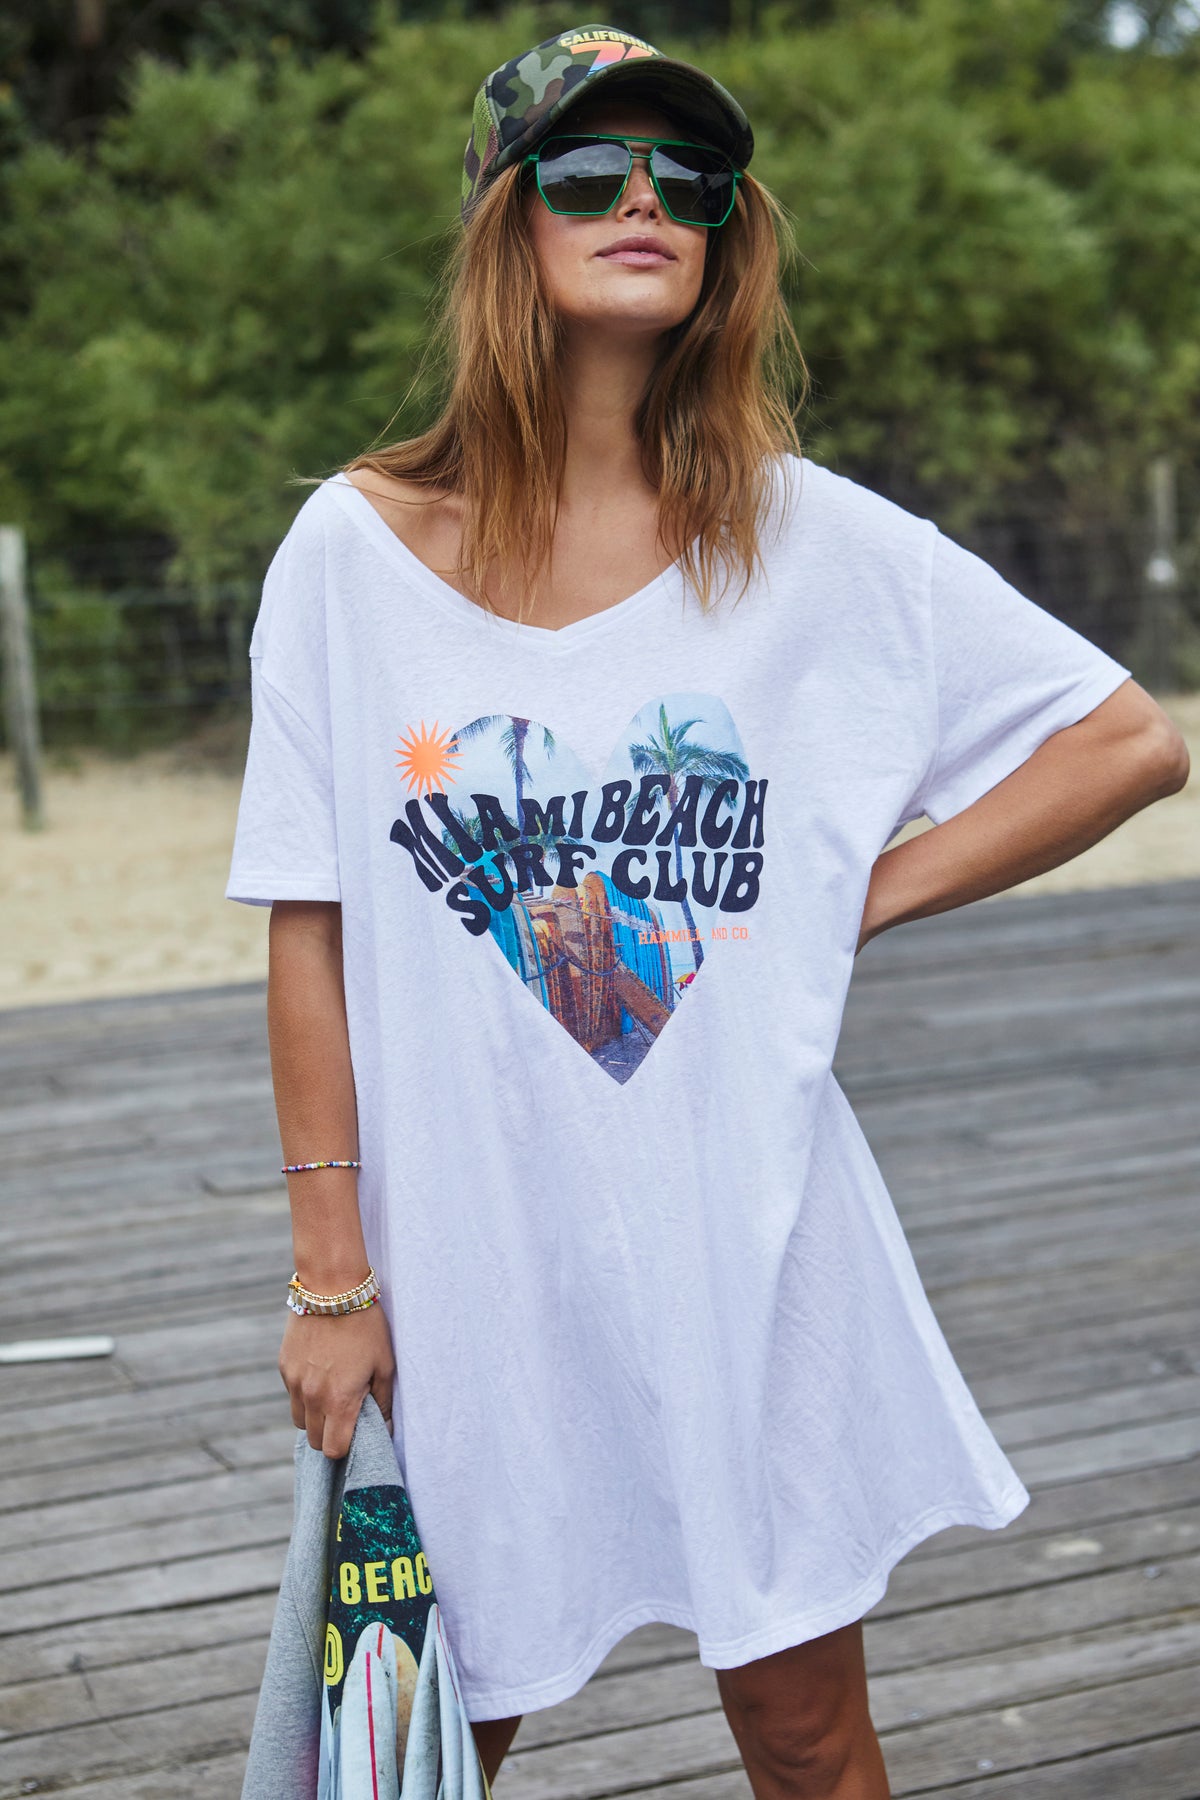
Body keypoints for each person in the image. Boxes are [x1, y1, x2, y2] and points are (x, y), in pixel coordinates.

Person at [226, 22, 1189, 1800]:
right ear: (506, 221)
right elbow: (311, 931)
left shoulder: (805, 541)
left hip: (751, 1250)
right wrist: (330, 1278)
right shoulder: (351, 558)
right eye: (592, 171)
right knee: (417, 1749)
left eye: (693, 180)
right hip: (467, 1279)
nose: (648, 201)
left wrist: (848, 901)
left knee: (804, 1735)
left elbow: (1126, 741)